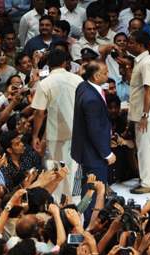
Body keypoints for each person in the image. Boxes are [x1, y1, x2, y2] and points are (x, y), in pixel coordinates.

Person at [31, 49, 83, 199]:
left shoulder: (45, 83)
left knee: (56, 170)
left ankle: (58, 204)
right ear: (65, 63)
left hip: (57, 134)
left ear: (48, 64)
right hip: (78, 132)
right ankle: (73, 205)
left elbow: (39, 112)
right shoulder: (78, 80)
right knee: (73, 170)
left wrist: (35, 135)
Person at [71, 61, 115, 223]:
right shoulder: (91, 99)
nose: (108, 74)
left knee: (89, 187)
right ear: (96, 76)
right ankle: (92, 223)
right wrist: (107, 153)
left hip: (85, 149)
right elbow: (94, 129)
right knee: (95, 189)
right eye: (105, 72)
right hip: (94, 153)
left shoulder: (83, 87)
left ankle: (90, 219)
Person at [126, 30, 150, 194]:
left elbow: (148, 90)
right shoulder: (140, 61)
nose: (128, 45)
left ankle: (147, 183)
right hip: (141, 113)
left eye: (131, 42)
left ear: (140, 45)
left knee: (145, 147)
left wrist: (145, 115)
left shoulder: (146, 62)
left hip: (144, 114)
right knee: (147, 146)